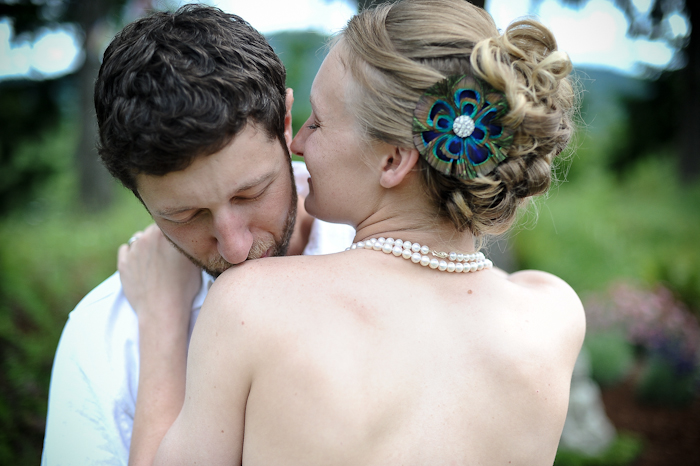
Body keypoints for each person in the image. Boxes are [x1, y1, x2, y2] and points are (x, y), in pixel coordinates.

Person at [123, 0, 586, 465]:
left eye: (319, 121)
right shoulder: (553, 313)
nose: (298, 142)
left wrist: (160, 321)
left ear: (392, 159)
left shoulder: (253, 305)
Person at [40, 5, 355, 466]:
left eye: (251, 193)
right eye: (186, 215)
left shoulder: (388, 245)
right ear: (138, 196)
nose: (235, 247)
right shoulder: (104, 337)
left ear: (286, 124)